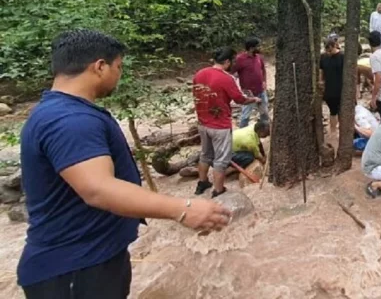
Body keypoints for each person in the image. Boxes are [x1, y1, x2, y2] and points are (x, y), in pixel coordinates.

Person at [18, 30, 230, 298]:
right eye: (118, 67)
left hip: (89, 259)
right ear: (99, 66)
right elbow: (98, 189)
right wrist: (183, 209)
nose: (119, 74)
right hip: (75, 268)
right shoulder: (70, 120)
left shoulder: (59, 111)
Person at [193, 47, 259, 197]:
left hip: (203, 122)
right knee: (221, 159)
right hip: (220, 125)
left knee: (205, 155)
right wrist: (254, 99)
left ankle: (202, 183)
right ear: (227, 61)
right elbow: (239, 99)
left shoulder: (199, 74)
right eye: (233, 61)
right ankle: (218, 190)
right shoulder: (226, 78)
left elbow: (196, 95)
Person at [232, 37, 269, 129]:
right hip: (248, 93)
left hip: (261, 90)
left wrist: (264, 81)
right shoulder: (240, 59)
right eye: (258, 46)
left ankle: (265, 130)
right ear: (251, 48)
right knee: (245, 115)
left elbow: (263, 69)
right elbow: (231, 73)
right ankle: (242, 132)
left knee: (264, 112)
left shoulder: (259, 57)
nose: (260, 48)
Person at [320, 38, 344, 138]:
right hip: (329, 90)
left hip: (341, 89)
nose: (328, 52)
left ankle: (342, 130)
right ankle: (333, 131)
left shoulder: (343, 56)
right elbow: (321, 72)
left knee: (341, 111)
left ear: (334, 46)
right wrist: (321, 83)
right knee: (333, 111)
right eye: (326, 50)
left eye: (330, 49)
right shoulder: (323, 57)